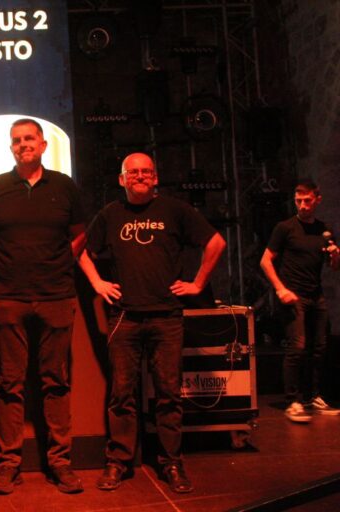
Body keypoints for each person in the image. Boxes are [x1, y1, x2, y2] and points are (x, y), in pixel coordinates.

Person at [78, 152, 226, 494]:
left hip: (167, 317)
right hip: (125, 317)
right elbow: (81, 250)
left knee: (168, 395)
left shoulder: (175, 210)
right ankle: (118, 461)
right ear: (122, 179)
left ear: (155, 177)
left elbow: (216, 242)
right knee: (121, 395)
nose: (140, 176)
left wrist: (198, 283)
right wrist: (97, 283)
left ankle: (171, 462)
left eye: (146, 171)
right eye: (133, 172)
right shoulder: (110, 214)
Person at [0, 118, 87, 495]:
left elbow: (80, 234)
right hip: (8, 298)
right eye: (17, 140)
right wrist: (1, 270)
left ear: (42, 144)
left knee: (56, 382)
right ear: (11, 148)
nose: (23, 144)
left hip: (56, 296)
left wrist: (60, 264)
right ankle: (8, 465)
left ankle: (60, 463)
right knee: (9, 383)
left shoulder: (64, 187)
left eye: (29, 139)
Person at [260, 180, 340, 423]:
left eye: (307, 201)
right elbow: (265, 260)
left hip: (316, 295)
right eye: (298, 201)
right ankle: (292, 401)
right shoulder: (285, 228)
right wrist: (280, 289)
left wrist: (335, 255)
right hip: (293, 295)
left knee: (319, 348)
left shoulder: (323, 230)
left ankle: (312, 397)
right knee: (298, 346)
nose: (303, 205)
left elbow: (334, 266)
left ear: (317, 200)